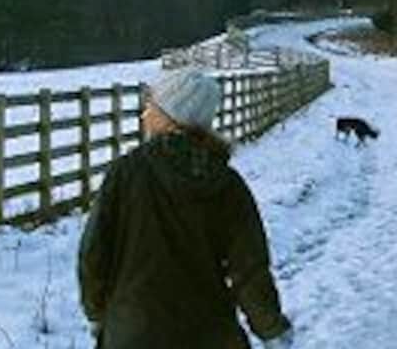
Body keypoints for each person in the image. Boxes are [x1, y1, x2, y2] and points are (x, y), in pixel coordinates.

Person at [78, 69, 295, 349]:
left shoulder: (125, 174)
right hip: (209, 334)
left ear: (171, 117)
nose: (144, 114)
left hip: (133, 333)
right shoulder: (227, 184)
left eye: (151, 106)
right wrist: (271, 328)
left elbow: (94, 253)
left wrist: (97, 314)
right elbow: (249, 268)